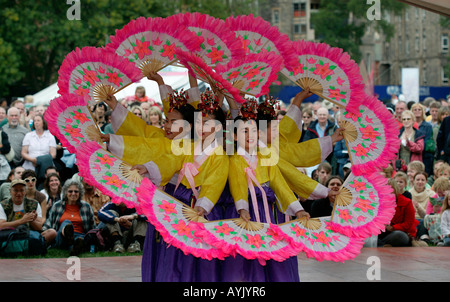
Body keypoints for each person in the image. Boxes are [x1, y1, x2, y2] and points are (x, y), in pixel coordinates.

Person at [42, 179, 96, 256]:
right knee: (67, 222)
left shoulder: (86, 207)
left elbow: (92, 227)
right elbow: (49, 222)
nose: (73, 194)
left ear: (80, 193)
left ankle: (74, 248)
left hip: (80, 235)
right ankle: (68, 234)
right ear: (65, 193)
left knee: (79, 241)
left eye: (76, 191)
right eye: (70, 191)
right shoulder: (57, 206)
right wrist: (43, 232)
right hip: (61, 236)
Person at [0, 179, 51, 254]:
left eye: (21, 190)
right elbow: (1, 226)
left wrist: (31, 220)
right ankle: (36, 245)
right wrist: (22, 221)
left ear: (25, 192)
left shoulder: (34, 204)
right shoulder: (3, 205)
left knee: (52, 233)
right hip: (9, 235)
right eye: (15, 190)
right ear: (10, 192)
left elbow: (39, 227)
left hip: (28, 234)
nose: (19, 193)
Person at [377, 179, 418, 247]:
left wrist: (392, 227)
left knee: (400, 236)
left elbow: (408, 223)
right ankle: (383, 244)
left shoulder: (407, 202)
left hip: (397, 231)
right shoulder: (377, 202)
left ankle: (381, 244)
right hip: (380, 232)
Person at [408, 171, 435, 244]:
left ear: (426, 181)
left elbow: (428, 215)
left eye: (423, 180)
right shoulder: (408, 194)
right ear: (413, 181)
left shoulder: (432, 194)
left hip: (425, 220)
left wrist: (418, 207)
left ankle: (422, 237)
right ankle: (423, 237)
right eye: (417, 179)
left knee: (424, 221)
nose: (420, 182)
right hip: (412, 220)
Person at [411, 103, 433, 175]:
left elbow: (427, 141)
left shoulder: (428, 126)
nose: (417, 111)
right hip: (411, 154)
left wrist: (416, 146)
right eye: (415, 110)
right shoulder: (409, 124)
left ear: (423, 111)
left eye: (419, 110)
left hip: (424, 155)